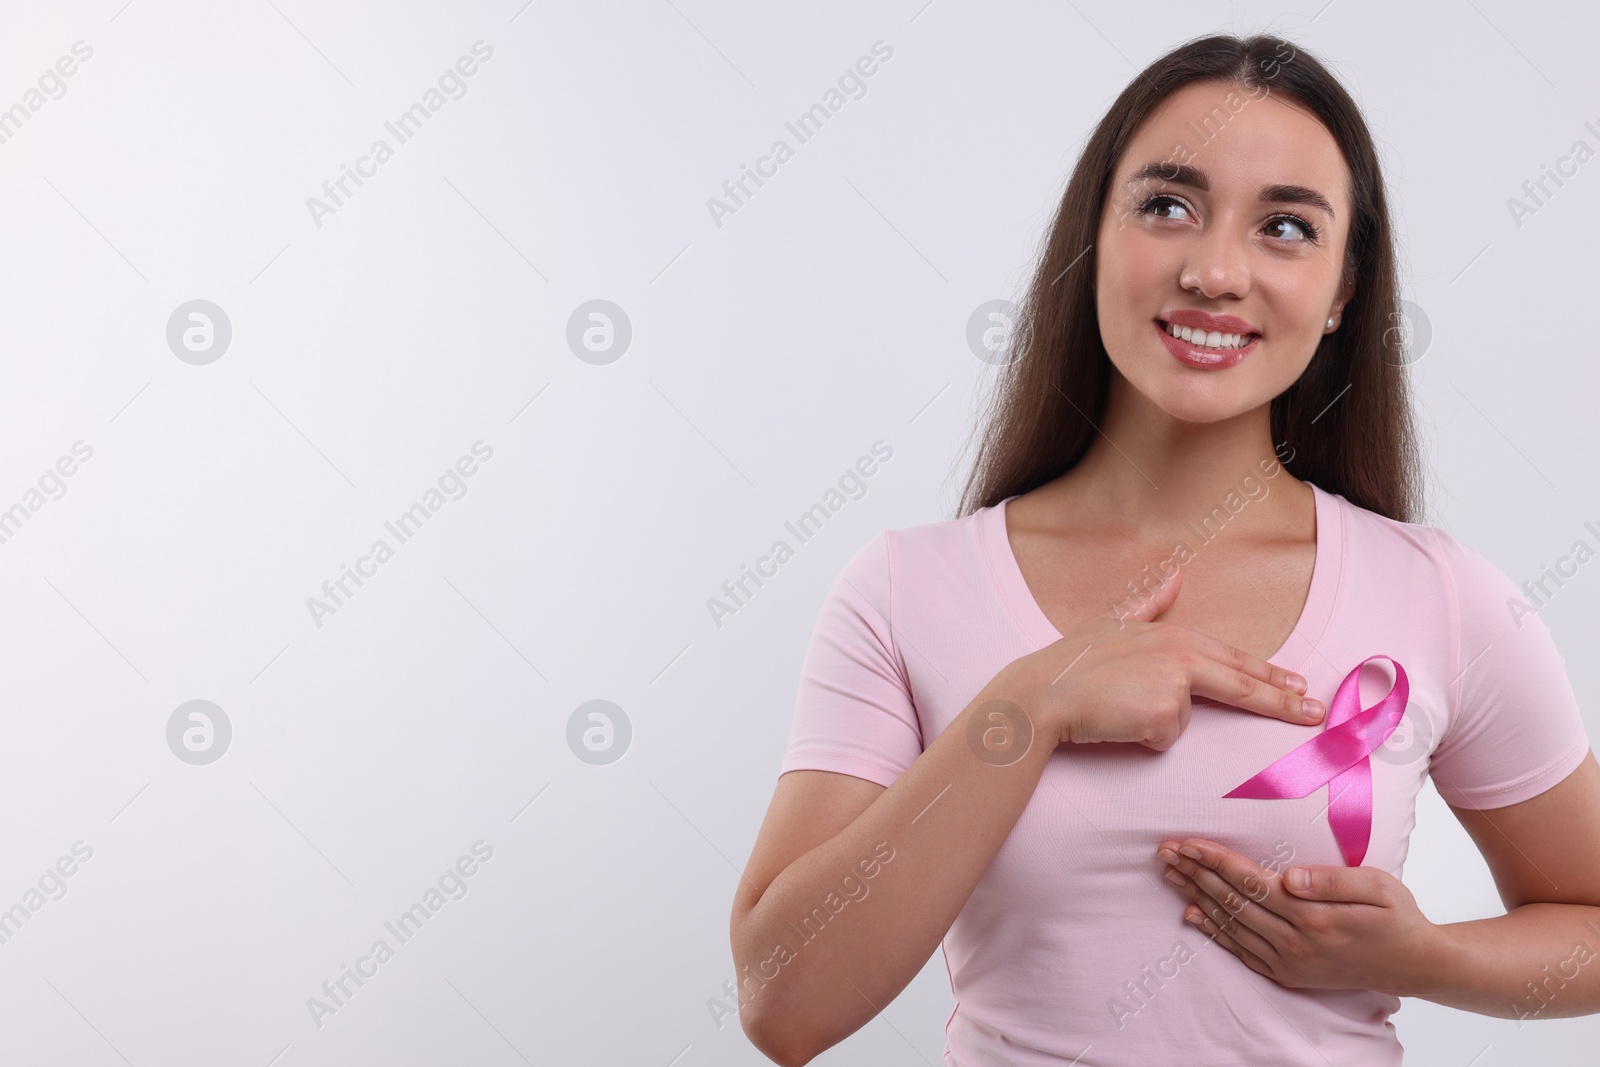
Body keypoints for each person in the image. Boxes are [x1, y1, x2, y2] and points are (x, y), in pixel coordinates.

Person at [729, 32, 1600, 1067]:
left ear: (1340, 294)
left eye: (1284, 226)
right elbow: (784, 1004)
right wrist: (1030, 705)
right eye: (1166, 204)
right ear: (1092, 236)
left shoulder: (1441, 594)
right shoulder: (905, 587)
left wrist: (1422, 958)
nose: (1214, 269)